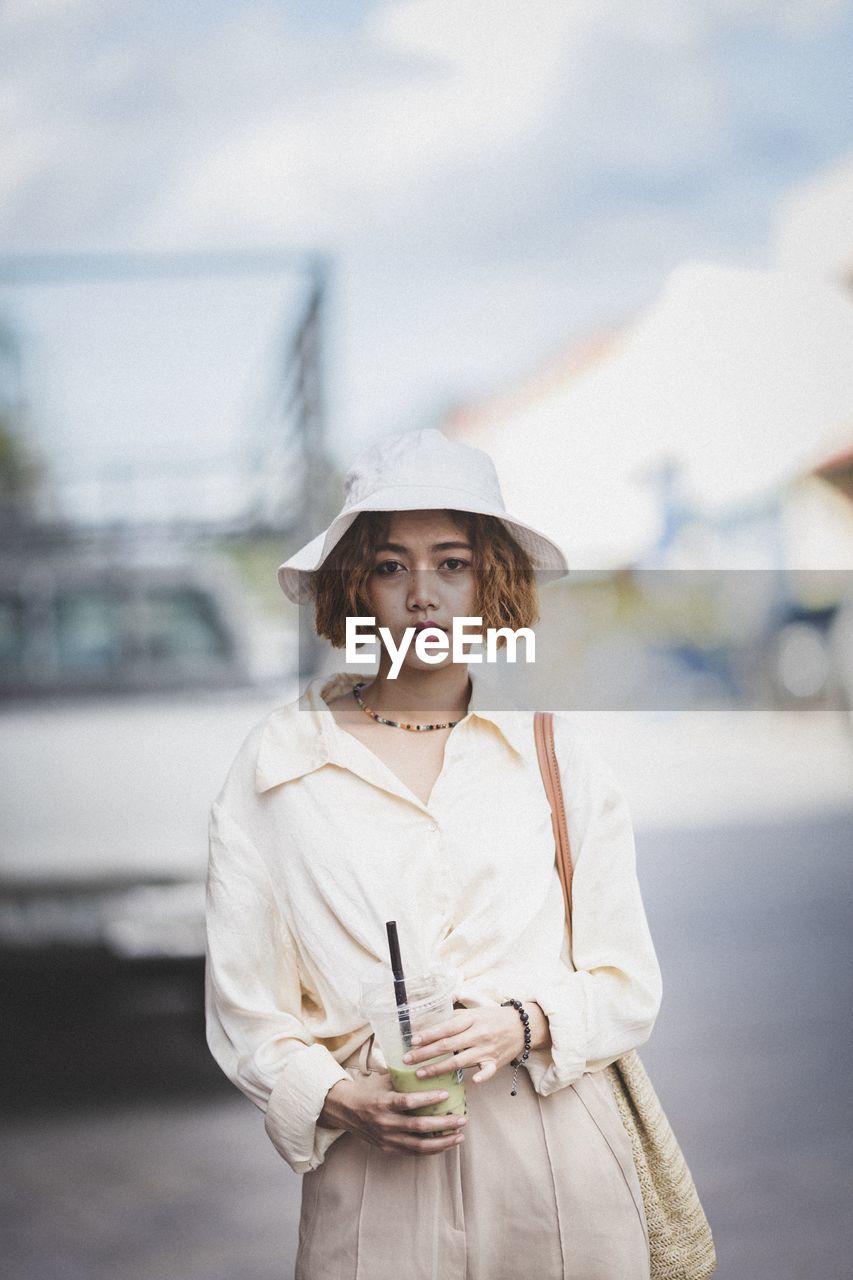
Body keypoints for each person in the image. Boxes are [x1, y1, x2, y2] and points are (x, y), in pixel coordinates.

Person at [204, 428, 663, 1280]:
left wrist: (519, 1023)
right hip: (376, 1180)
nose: (423, 595)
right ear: (354, 587)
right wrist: (340, 1099)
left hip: (559, 1165)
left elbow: (626, 982)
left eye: (451, 563)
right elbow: (248, 1014)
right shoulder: (277, 768)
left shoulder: (554, 754)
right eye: (389, 566)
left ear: (490, 582)